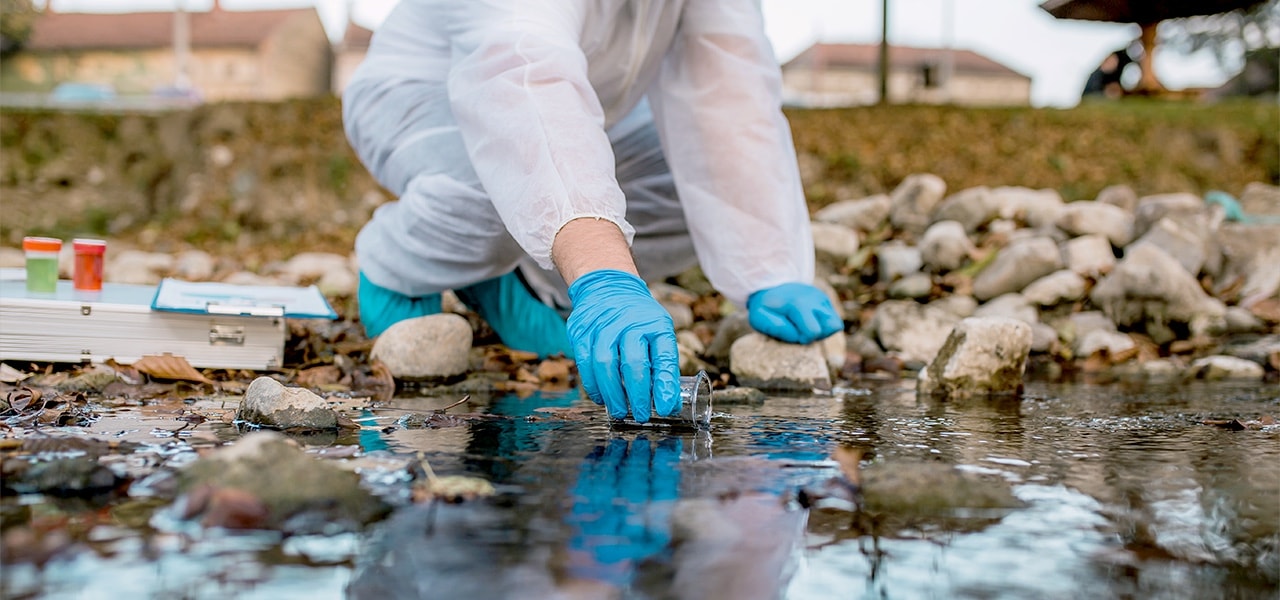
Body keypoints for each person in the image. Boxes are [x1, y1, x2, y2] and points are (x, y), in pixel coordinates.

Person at [343, 0, 843, 423]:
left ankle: (523, 279)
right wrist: (604, 274)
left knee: (687, 185)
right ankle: (397, 269)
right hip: (426, 94)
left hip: (592, 107)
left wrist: (767, 266)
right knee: (503, 185)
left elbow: (726, 91)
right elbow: (522, 74)